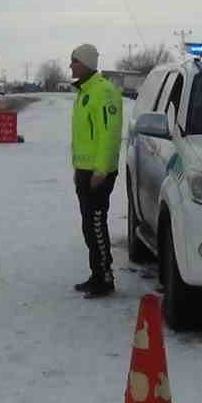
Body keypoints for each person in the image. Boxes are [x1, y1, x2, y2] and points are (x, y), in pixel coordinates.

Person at [68, 43, 124, 298]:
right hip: (85, 170)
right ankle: (96, 274)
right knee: (89, 226)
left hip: (97, 173)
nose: (71, 65)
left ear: (87, 63)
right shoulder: (86, 91)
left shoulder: (104, 92)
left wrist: (101, 170)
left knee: (97, 225)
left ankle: (105, 277)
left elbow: (109, 134)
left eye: (74, 61)